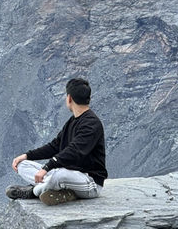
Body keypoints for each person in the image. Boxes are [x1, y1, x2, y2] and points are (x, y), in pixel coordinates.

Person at [6, 77, 108, 206]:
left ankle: (34, 191)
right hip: (67, 174)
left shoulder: (91, 124)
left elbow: (74, 152)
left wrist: (47, 167)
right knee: (23, 165)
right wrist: (27, 155)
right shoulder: (73, 121)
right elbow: (55, 146)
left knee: (60, 175)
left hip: (89, 181)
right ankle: (56, 190)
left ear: (69, 98)